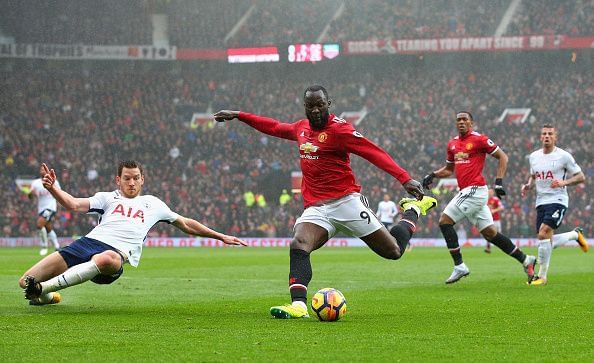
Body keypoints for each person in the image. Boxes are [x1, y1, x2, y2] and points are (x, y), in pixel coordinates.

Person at [214, 85, 436, 319]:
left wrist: (404, 178)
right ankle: (299, 306)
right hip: (317, 209)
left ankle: (412, 209)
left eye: (320, 104)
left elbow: (373, 152)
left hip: (346, 202)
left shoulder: (340, 131)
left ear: (329, 104)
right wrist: (240, 115)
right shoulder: (301, 128)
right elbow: (274, 127)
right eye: (311, 106)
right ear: (305, 107)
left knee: (393, 251)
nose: (316, 110)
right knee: (299, 243)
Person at [20, 161, 247, 306]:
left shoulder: (153, 204)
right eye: (126, 178)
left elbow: (186, 223)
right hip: (87, 243)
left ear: (142, 179)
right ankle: (46, 297)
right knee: (25, 281)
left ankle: (44, 288)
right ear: (118, 180)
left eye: (136, 177)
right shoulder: (107, 197)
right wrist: (53, 189)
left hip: (115, 254)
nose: (131, 182)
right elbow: (73, 204)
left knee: (106, 258)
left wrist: (220, 236)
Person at [422, 111, 536, 284]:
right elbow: (449, 169)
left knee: (444, 221)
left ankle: (459, 266)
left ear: (471, 123)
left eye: (465, 119)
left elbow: (503, 156)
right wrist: (433, 175)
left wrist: (498, 182)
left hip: (475, 190)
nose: (461, 122)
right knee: (491, 234)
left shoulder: (479, 139)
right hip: (467, 192)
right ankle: (526, 259)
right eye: (458, 120)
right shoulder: (452, 144)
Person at [521, 124, 587, 286]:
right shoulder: (534, 157)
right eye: (544, 134)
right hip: (541, 201)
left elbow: (580, 177)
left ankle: (542, 277)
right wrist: (528, 185)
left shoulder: (564, 156)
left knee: (543, 233)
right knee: (545, 241)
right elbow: (533, 175)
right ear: (540, 137)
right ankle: (574, 235)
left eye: (550, 134)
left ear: (555, 137)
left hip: (558, 200)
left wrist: (564, 182)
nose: (547, 136)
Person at [26, 165, 62, 255]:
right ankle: (57, 247)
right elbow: (30, 196)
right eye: (41, 169)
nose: (42, 171)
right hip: (41, 208)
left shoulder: (53, 181)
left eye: (44, 169)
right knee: (48, 228)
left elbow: (60, 194)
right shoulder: (35, 183)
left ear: (47, 171)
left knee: (39, 224)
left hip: (50, 207)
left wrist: (59, 207)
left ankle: (44, 246)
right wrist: (31, 193)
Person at [484, 188, 504, 254]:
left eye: (491, 192)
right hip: (489, 221)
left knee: (499, 234)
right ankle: (488, 247)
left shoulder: (495, 199)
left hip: (496, 220)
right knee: (489, 233)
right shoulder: (485, 200)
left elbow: (501, 207)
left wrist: (494, 210)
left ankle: (502, 246)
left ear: (493, 193)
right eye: (489, 192)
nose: (490, 193)